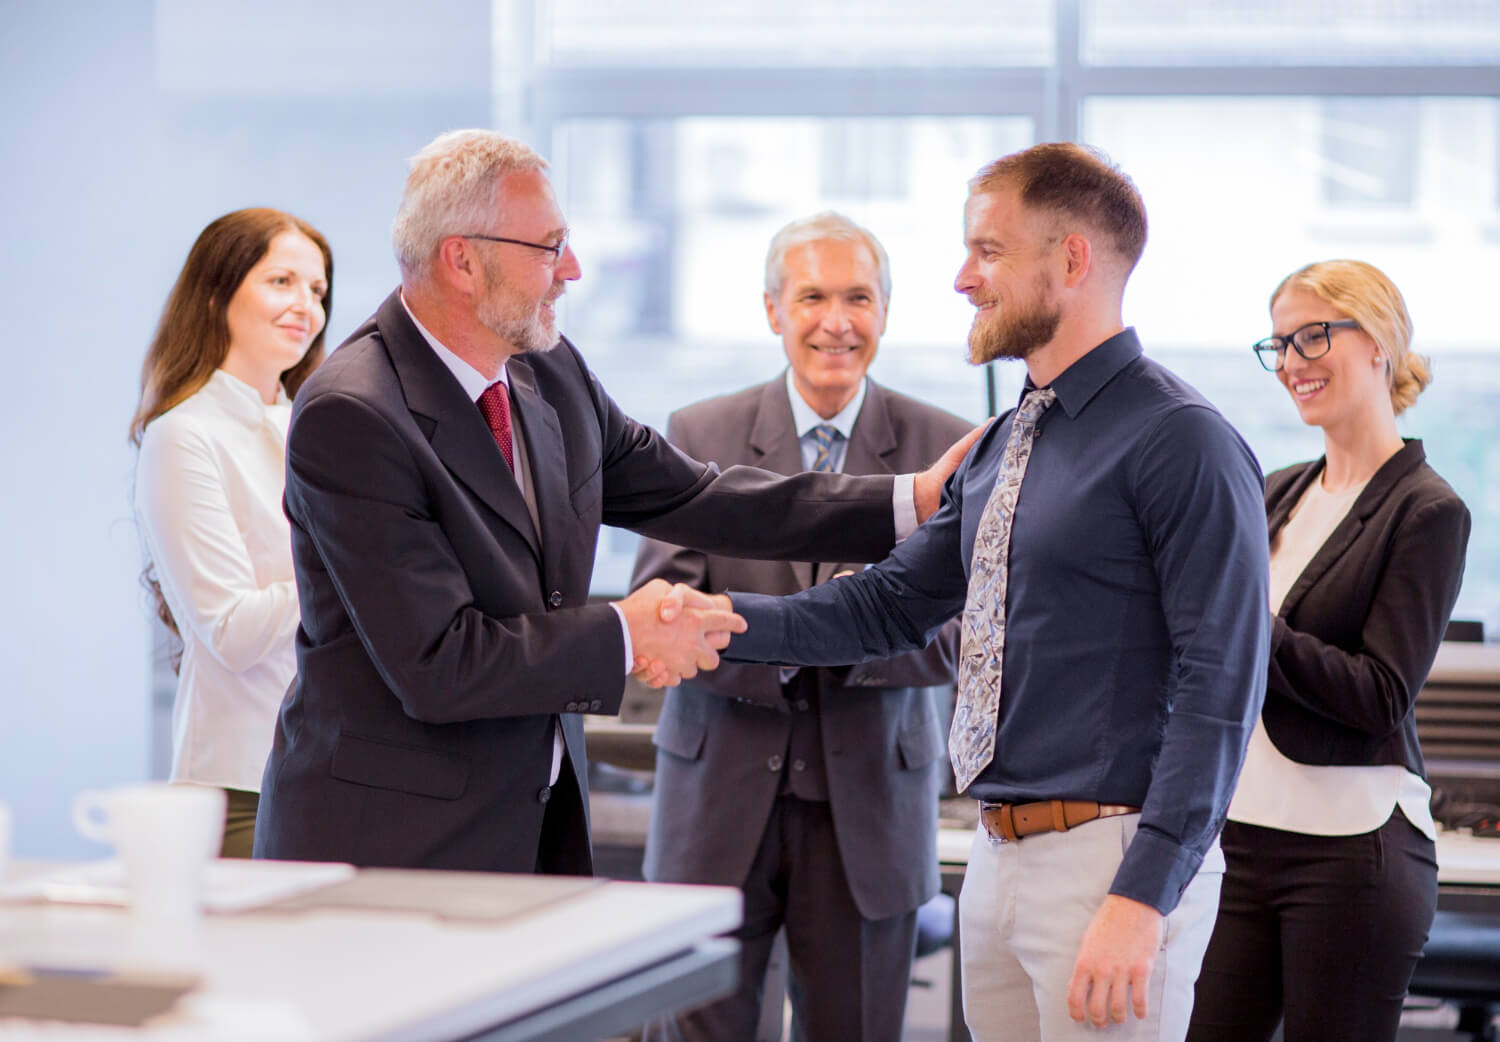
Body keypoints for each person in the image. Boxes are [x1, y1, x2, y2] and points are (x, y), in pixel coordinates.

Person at [252, 130, 974, 875]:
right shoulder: (353, 412)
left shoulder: (549, 371)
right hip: (384, 851)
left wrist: (908, 500)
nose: (573, 269)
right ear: (463, 259)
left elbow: (699, 494)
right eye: (549, 246)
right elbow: (442, 663)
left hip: (528, 827)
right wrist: (628, 634)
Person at [700, 143, 1271, 1042]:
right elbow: (886, 604)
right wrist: (714, 626)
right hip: (999, 856)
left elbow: (1222, 687)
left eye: (988, 251)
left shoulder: (1183, 440)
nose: (964, 278)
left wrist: (1144, 895)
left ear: (1072, 258)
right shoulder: (1009, 438)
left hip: (1112, 865)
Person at [634, 212, 973, 1042]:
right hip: (715, 804)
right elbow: (661, 611)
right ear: (771, 310)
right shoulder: (698, 435)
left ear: (886, 312)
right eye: (812, 295)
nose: (836, 320)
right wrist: (822, 627)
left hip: (869, 812)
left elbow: (966, 634)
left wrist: (833, 634)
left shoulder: (946, 448)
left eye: (858, 297)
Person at [1186, 261, 1471, 1042]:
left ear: (1378, 341)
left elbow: (1381, 694)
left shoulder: (1427, 509)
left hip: (1350, 855)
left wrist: (1252, 624)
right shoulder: (1275, 490)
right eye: (1278, 344)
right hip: (1237, 836)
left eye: (1314, 335)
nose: (1291, 362)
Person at [130, 207, 333, 857]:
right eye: (282, 281)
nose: (305, 305)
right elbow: (230, 631)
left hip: (343, 774)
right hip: (244, 785)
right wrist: (355, 559)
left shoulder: (321, 427)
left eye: (318, 290)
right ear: (218, 291)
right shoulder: (183, 436)